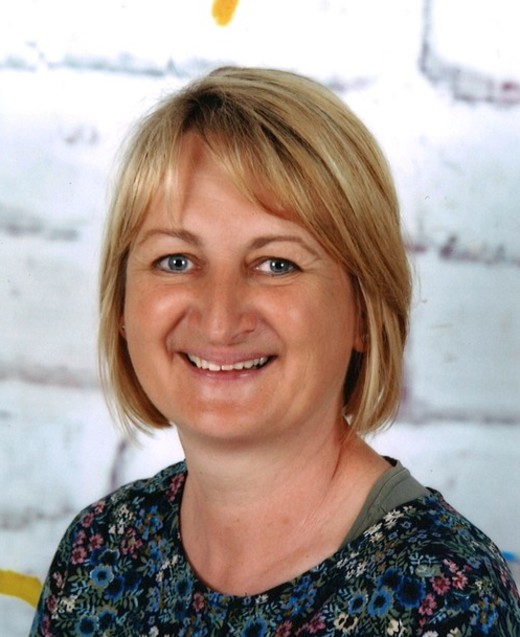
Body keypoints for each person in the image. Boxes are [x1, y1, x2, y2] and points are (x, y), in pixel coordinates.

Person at [31, 67, 519, 636]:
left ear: (364, 310)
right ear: (122, 304)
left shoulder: (443, 598)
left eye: (276, 264)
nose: (219, 319)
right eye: (176, 261)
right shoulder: (100, 549)